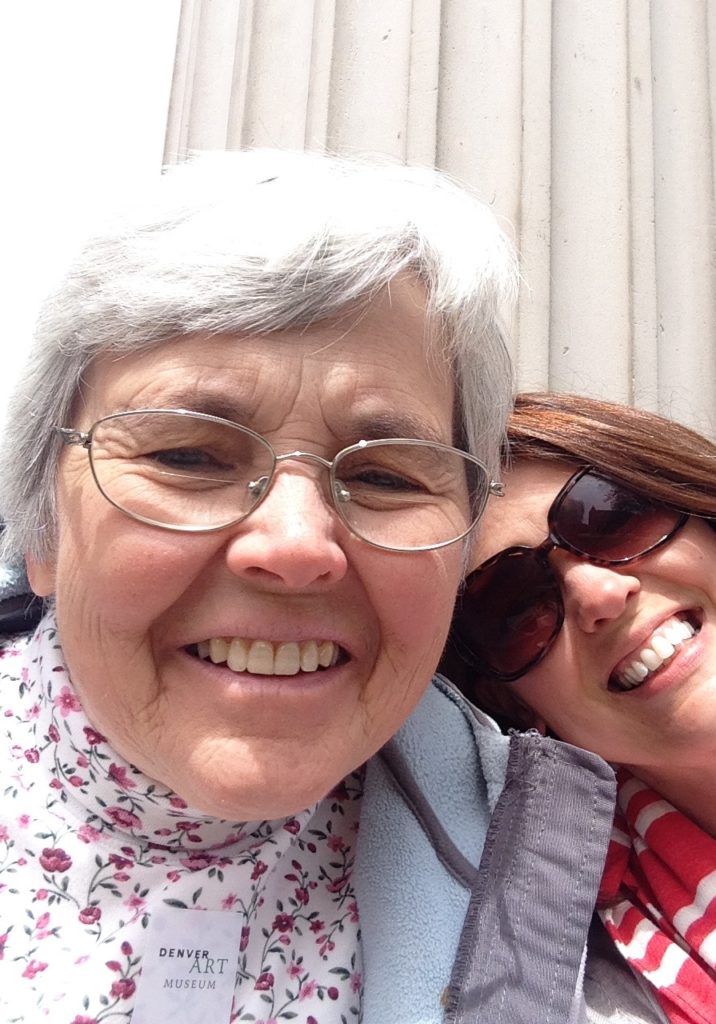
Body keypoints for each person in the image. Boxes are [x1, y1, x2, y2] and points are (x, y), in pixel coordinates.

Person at [0, 153, 619, 1024]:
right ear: (43, 532)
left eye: (391, 478)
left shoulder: (564, 868)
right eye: (187, 455)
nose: (295, 546)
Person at [445, 390, 716, 1024]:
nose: (601, 593)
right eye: (513, 608)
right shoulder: (571, 982)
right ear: (512, 702)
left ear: (713, 523)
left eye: (615, 517)